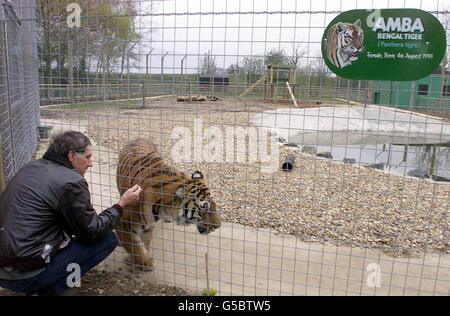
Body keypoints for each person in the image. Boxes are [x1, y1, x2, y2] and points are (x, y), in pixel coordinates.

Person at [0, 131, 141, 296]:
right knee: (108, 240)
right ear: (72, 156)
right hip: (25, 275)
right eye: (87, 157)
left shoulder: (31, 167)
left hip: (3, 268)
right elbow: (92, 231)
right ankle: (45, 292)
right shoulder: (71, 181)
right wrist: (121, 205)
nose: (91, 164)